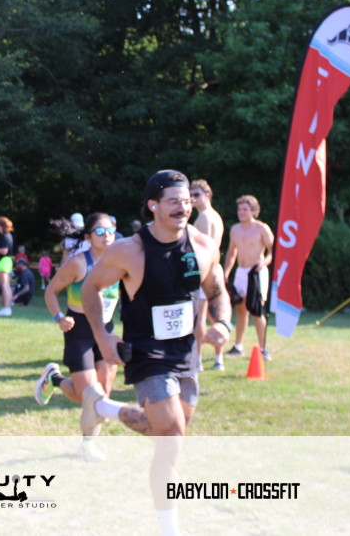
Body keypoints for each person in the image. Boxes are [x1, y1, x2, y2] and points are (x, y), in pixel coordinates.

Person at [78, 170, 233, 536]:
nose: (183, 208)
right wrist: (103, 337)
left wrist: (224, 324)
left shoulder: (202, 245)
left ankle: (102, 407)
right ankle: (169, 528)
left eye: (187, 201)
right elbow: (90, 288)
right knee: (172, 431)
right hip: (147, 354)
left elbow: (217, 290)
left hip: (186, 353)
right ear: (153, 206)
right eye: (173, 202)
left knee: (168, 435)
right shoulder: (128, 250)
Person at [35, 213, 121, 461]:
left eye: (111, 231)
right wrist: (59, 317)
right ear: (88, 237)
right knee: (87, 396)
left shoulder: (118, 262)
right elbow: (51, 291)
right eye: (100, 232)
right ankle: (54, 379)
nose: (107, 236)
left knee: (103, 394)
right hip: (79, 330)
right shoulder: (78, 263)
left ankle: (87, 444)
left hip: (105, 330)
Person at [223, 194, 275, 360]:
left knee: (256, 310)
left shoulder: (262, 228)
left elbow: (273, 251)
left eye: (245, 209)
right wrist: (226, 273)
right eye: (240, 209)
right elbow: (231, 253)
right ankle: (238, 346)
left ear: (253, 211)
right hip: (241, 271)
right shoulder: (235, 229)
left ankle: (263, 348)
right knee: (240, 309)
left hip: (256, 272)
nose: (242, 212)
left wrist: (263, 263)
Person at [190, 179, 226, 370]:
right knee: (215, 317)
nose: (193, 199)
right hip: (214, 268)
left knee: (200, 317)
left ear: (208, 195)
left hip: (205, 270)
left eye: (196, 195)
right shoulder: (215, 216)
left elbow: (202, 249)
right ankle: (218, 358)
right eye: (191, 195)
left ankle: (198, 359)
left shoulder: (204, 218)